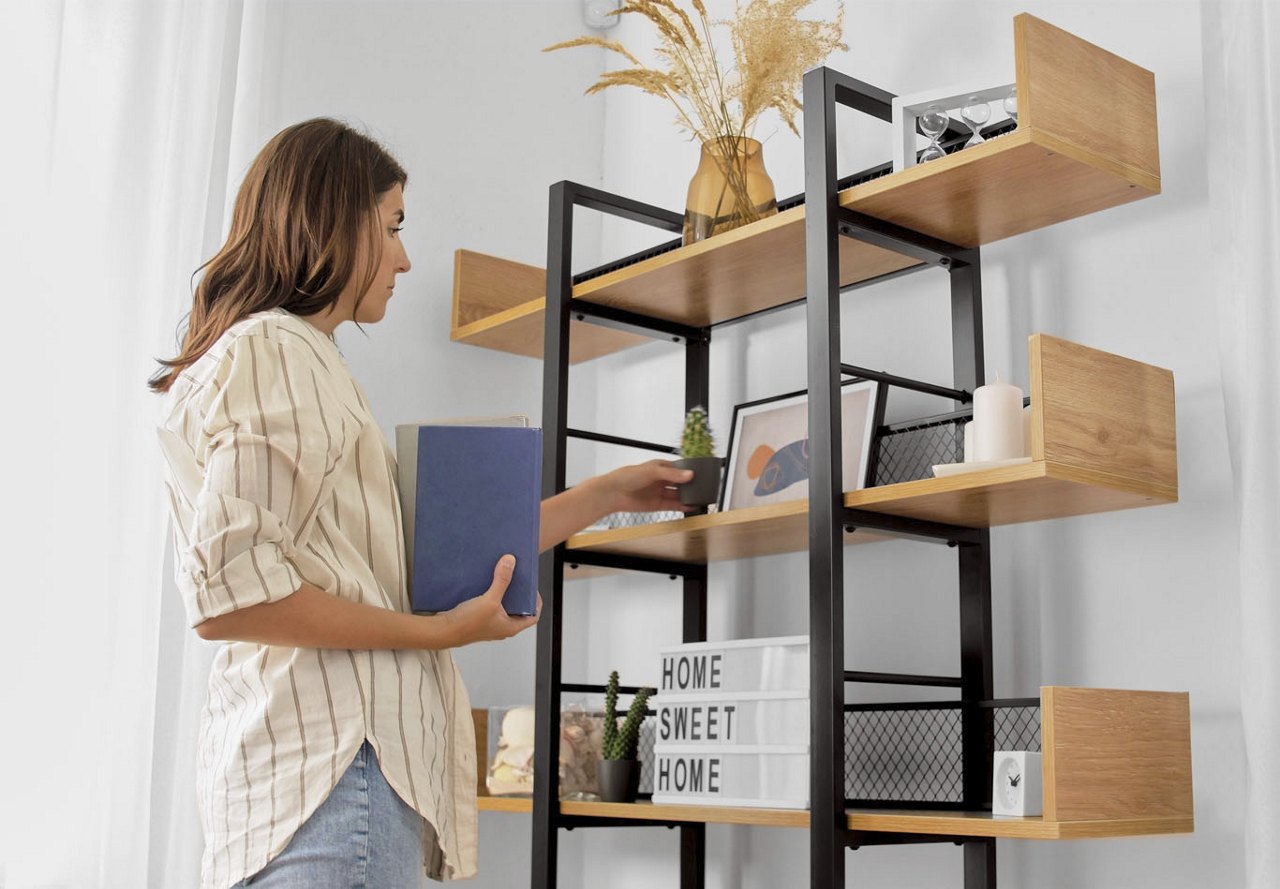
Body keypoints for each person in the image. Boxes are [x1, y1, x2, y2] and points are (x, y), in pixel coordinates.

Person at [150, 117, 692, 889]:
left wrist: (606, 493)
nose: (404, 257)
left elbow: (422, 557)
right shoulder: (279, 350)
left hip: (319, 783)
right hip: (337, 779)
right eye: (392, 226)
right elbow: (232, 595)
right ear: (334, 222)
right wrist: (437, 631)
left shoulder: (291, 359)